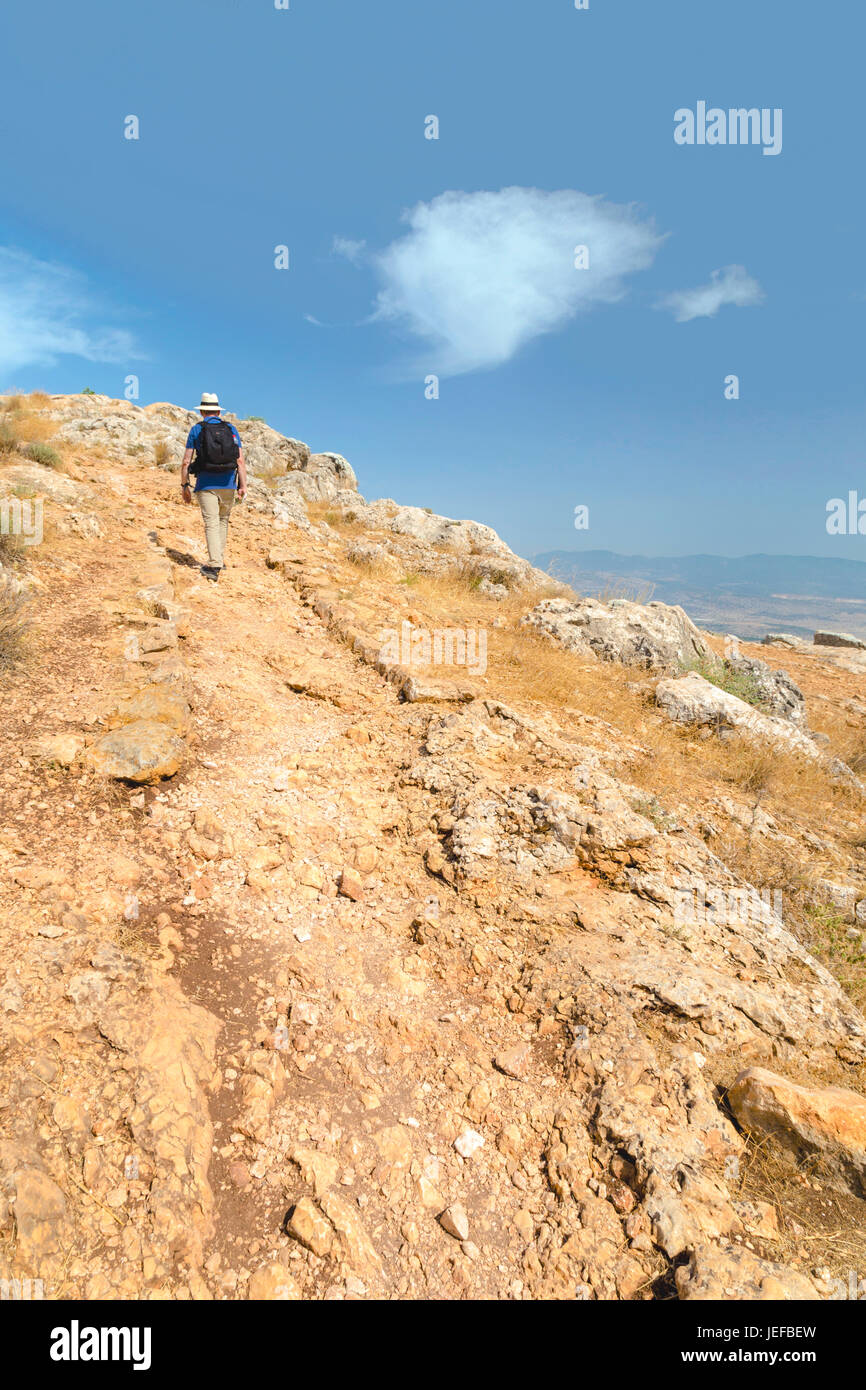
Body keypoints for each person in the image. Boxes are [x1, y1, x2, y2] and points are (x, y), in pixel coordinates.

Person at [180, 392, 247, 582]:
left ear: (202, 411)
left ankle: (214, 565)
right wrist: (243, 485)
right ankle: (219, 559)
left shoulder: (196, 429)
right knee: (222, 521)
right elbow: (240, 461)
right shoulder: (231, 429)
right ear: (218, 411)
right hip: (228, 484)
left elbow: (186, 461)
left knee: (211, 523)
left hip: (206, 484)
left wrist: (185, 485)